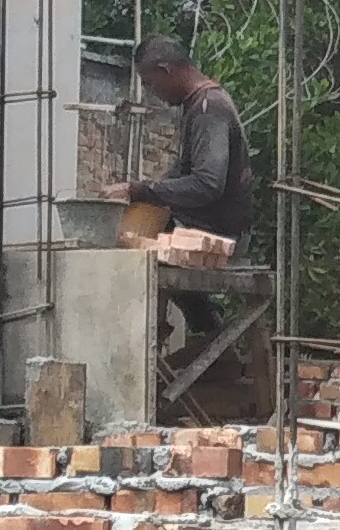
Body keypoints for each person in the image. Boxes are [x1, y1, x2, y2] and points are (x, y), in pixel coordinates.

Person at [100, 34, 265, 412]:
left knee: (142, 261)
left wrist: (141, 189)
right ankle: (213, 345)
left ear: (166, 70)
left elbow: (208, 183)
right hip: (202, 228)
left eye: (150, 83)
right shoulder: (198, 107)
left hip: (220, 236)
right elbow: (179, 176)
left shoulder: (208, 109)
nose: (152, 93)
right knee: (139, 242)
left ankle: (146, 373)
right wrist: (143, 193)